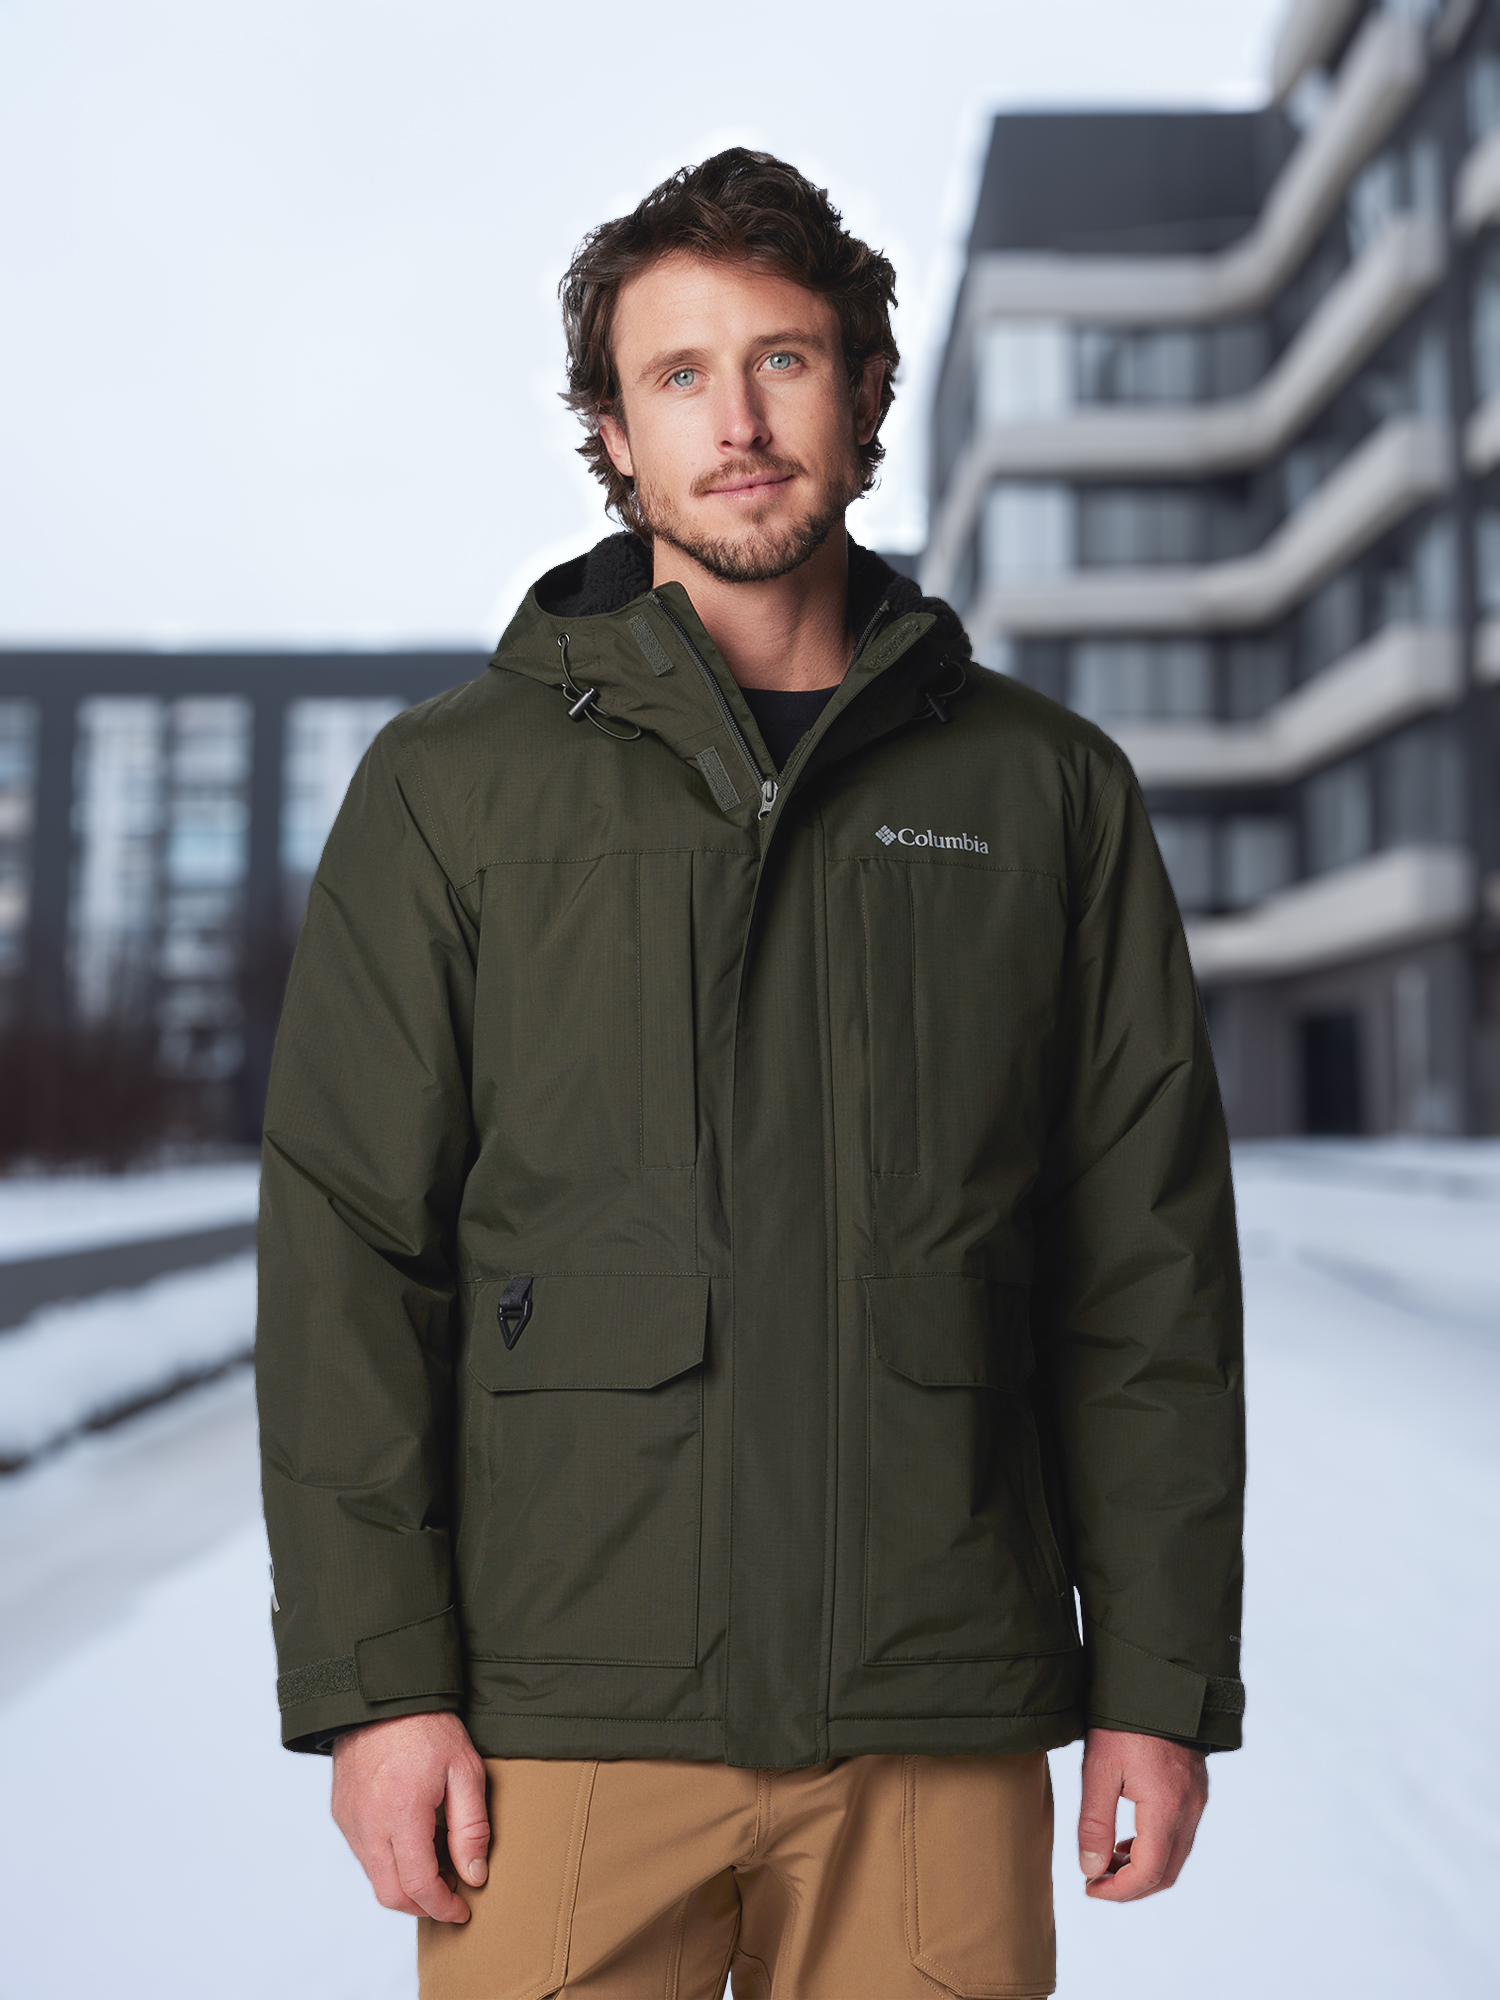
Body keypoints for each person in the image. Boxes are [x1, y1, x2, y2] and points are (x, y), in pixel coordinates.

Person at [255, 148, 1245, 2000]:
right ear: (613, 436)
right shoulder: (450, 790)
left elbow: (1148, 1273)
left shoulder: (1045, 790)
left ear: (864, 393)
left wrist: (1160, 1683)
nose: (738, 422)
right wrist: (377, 1686)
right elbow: (348, 1261)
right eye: (680, 374)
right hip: (561, 1722)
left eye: (783, 360)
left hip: (936, 1707)